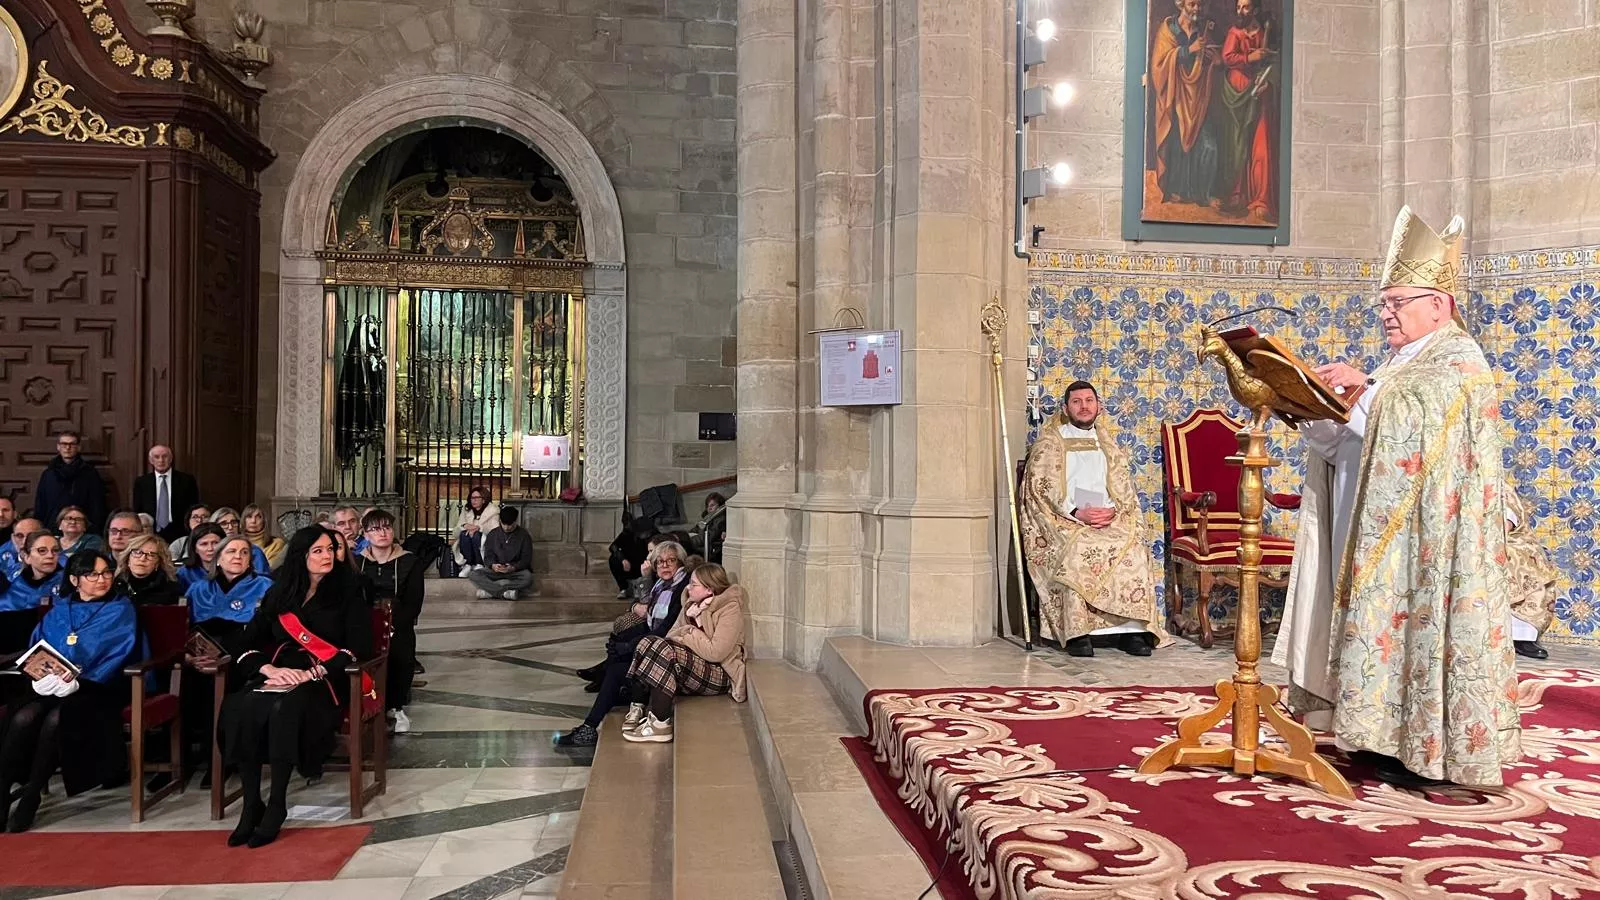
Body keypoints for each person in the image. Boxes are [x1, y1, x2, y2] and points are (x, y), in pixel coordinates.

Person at [1276, 206, 1518, 789]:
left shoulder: (1459, 360)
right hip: (1378, 526)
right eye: (1383, 304)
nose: (1386, 314)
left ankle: (1427, 745)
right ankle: (1377, 733)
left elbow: (1419, 430)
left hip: (1430, 541)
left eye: (1398, 303)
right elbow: (1362, 435)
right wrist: (1316, 409)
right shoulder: (1400, 362)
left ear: (1440, 305)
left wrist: (1365, 390)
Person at [217, 526, 374, 848]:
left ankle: (276, 803)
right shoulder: (280, 592)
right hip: (278, 673)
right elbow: (245, 641)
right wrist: (267, 668)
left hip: (326, 680)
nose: (327, 556)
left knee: (284, 709)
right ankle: (251, 804)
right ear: (301, 556)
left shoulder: (349, 589)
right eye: (318, 551)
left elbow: (358, 647)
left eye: (330, 549)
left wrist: (312, 673)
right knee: (240, 707)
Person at [1019, 381, 1172, 657]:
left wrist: (1112, 511)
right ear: (1066, 408)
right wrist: (1076, 512)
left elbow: (1123, 489)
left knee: (1134, 549)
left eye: (1089, 400)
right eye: (1077, 401)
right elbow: (1041, 489)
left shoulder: (1108, 445)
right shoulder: (1050, 442)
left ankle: (1130, 630)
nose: (1084, 406)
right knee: (1078, 550)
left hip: (1106, 518)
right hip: (1065, 519)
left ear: (1099, 407)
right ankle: (1079, 632)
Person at [0, 550, 139, 832]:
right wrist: (38, 674)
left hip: (99, 688)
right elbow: (37, 646)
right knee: (24, 716)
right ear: (75, 579)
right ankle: (2, 792)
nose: (102, 580)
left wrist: (80, 680)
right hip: (51, 685)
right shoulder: (60, 609)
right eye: (93, 574)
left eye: (107, 573)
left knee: (57, 720)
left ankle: (31, 796)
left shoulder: (121, 608)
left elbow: (121, 653)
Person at [560, 541, 690, 747]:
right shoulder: (661, 585)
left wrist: (629, 646)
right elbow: (648, 623)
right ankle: (610, 705)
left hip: (668, 652)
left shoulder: (682, 588)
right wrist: (622, 641)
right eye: (660, 562)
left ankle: (591, 725)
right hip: (655, 644)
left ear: (681, 563)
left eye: (671, 561)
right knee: (616, 652)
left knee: (617, 668)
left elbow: (666, 628)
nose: (665, 566)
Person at [621, 563, 748, 744]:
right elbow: (671, 635)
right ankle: (638, 706)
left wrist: (690, 633)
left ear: (709, 589)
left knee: (666, 650)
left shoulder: (729, 609)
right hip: (694, 665)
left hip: (721, 672)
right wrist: (688, 636)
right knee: (648, 642)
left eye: (694, 584)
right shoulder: (691, 605)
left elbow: (716, 652)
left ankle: (660, 723)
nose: (688, 587)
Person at [354, 509, 424, 734]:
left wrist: (394, 624)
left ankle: (396, 705)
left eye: (387, 527)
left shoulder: (409, 562)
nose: (382, 533)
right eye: (375, 529)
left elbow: (414, 602)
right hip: (365, 622)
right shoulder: (357, 562)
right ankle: (369, 703)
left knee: (401, 653)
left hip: (398, 622)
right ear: (365, 534)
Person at [1150, 0, 1222, 208]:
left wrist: (1215, 62)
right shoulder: (1168, 28)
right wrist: (1188, 50)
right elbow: (1159, 65)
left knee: (1208, 145)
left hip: (1199, 97)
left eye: (1200, 5)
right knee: (1176, 141)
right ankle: (1176, 190)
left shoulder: (1203, 32)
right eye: (1192, 4)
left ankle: (1204, 193)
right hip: (1176, 95)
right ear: (1181, 4)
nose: (1196, 9)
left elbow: (1210, 62)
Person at [1217, 0, 1277, 218]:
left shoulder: (1262, 33)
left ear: (1256, 10)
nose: (1240, 11)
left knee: (1259, 144)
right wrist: (1249, 57)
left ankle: (1259, 198)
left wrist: (1266, 78)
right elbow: (1227, 57)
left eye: (1246, 7)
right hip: (1236, 94)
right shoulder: (1235, 32)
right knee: (1237, 143)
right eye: (1239, 7)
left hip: (1257, 93)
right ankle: (1236, 194)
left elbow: (1271, 64)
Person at [1505, 493, 1558, 660]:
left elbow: (1506, 523)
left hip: (1506, 540)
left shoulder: (1497, 485)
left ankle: (1523, 637)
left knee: (1524, 559)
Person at [0, 532, 65, 663]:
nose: (50, 556)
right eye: (42, 551)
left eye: (55, 551)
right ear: (26, 556)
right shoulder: (11, 584)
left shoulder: (69, 584)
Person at [33, 431, 108, 534]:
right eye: (64, 444)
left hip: (82, 530)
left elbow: (97, 505)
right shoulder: (48, 474)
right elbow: (40, 504)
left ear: (78, 447)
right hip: (52, 529)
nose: (67, 448)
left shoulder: (89, 474)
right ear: (58, 447)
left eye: (72, 444)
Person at [132, 445, 200, 543]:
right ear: (151, 460)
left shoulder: (186, 480)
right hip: (151, 532)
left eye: (165, 456)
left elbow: (194, 508)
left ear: (171, 459)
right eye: (156, 457)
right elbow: (138, 510)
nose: (161, 460)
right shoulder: (142, 482)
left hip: (180, 532)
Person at [468, 506, 535, 600]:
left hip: (515, 571)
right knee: (473, 574)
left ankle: (490, 592)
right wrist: (493, 565)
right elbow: (488, 556)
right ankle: (504, 593)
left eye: (510, 525)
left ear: (515, 521)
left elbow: (526, 559)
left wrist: (513, 567)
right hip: (496, 570)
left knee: (528, 578)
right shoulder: (493, 534)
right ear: (500, 521)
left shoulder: (524, 535)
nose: (507, 528)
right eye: (504, 524)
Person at [116, 534, 183, 607]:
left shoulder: (171, 590)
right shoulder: (115, 584)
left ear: (158, 563)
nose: (142, 559)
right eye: (137, 552)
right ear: (128, 559)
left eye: (151, 555)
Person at [454, 487, 500, 576]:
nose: (473, 500)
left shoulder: (493, 511)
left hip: (485, 539)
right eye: (472, 498)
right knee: (464, 534)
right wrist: (465, 525)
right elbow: (457, 528)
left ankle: (479, 563)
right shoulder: (467, 510)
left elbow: (495, 529)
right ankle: (468, 564)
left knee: (476, 535)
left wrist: (478, 528)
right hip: (467, 538)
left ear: (483, 500)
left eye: (476, 498)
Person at [608, 511, 654, 599]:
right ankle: (624, 588)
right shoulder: (630, 532)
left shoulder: (653, 534)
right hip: (632, 565)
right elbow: (613, 546)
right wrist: (623, 559)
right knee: (613, 559)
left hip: (647, 565)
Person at [212, 508, 272, 574]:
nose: (230, 527)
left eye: (234, 522)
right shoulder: (209, 550)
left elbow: (263, 579)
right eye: (223, 523)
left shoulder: (254, 551)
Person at [178, 523, 227, 590]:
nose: (210, 548)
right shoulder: (184, 573)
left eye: (215, 543)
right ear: (195, 548)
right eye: (204, 544)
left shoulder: (231, 569)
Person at [242, 504, 287, 571]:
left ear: (264, 521)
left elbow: (269, 569)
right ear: (243, 521)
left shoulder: (276, 543)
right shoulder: (238, 543)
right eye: (249, 517)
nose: (253, 521)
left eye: (258, 517)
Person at [687, 493, 728, 563]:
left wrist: (688, 541)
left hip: (711, 549)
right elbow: (695, 529)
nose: (709, 508)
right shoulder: (708, 517)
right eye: (707, 506)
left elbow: (708, 536)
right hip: (702, 545)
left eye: (712, 505)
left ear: (720, 506)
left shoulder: (720, 519)